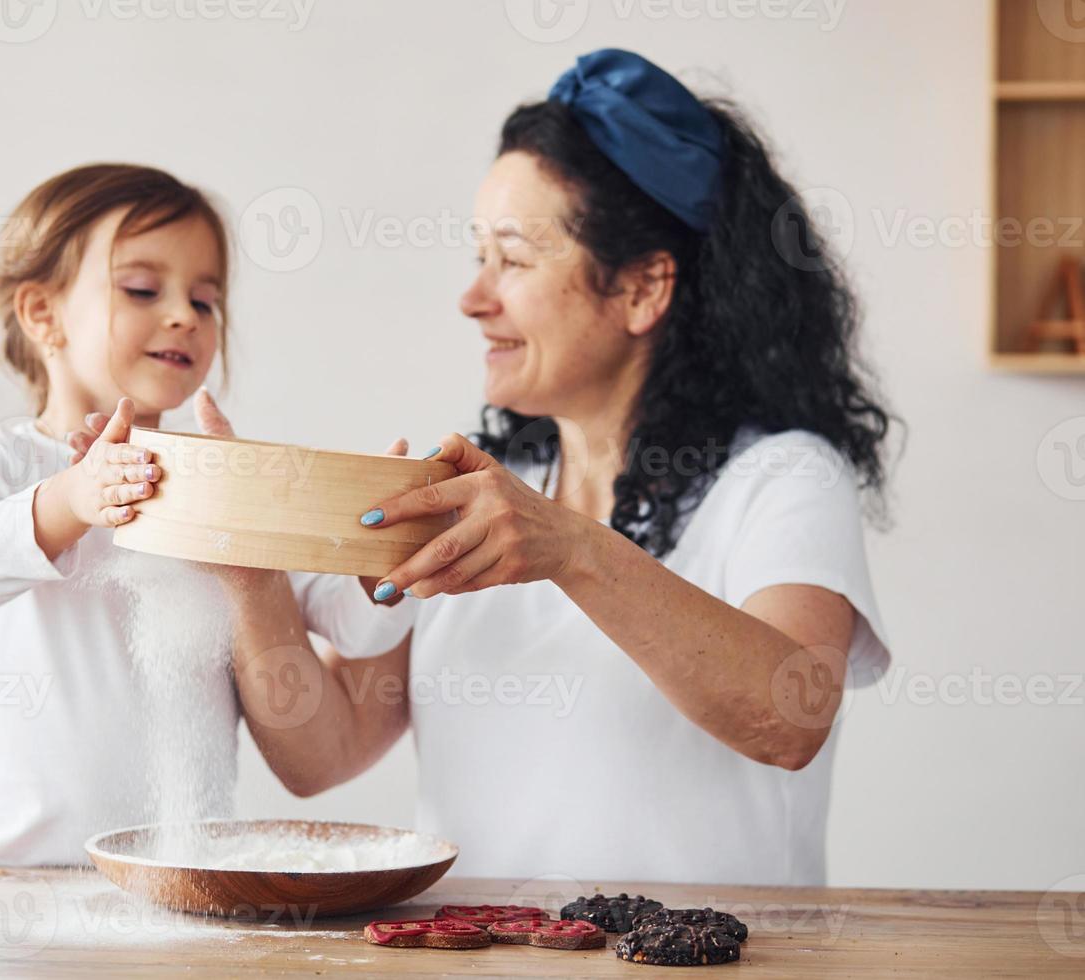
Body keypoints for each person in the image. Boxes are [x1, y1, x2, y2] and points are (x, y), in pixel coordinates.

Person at [223, 49, 895, 886]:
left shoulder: (785, 478)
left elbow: (790, 718)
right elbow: (321, 752)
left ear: (644, 288)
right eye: (477, 256)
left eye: (513, 258)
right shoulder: (482, 492)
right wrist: (248, 574)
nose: (473, 298)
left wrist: (574, 549)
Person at [0, 164, 405, 864]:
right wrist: (74, 496)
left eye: (205, 301)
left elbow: (356, 628)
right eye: (143, 289)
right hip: (14, 873)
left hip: (184, 872)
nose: (184, 314)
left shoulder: (219, 478)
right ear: (41, 314)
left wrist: (381, 551)